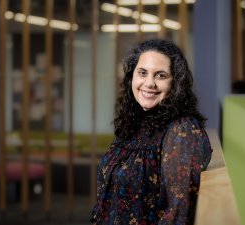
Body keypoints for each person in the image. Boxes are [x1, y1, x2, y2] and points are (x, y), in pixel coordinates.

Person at [90, 39, 212, 225]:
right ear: (132, 77)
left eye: (160, 75)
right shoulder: (134, 123)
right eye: (142, 73)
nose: (149, 83)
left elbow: (178, 213)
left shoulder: (182, 131)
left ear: (175, 84)